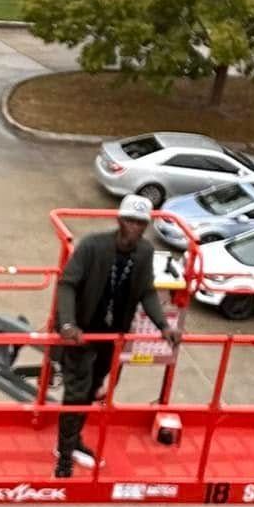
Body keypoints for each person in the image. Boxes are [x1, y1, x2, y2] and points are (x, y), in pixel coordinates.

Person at [53, 196, 178, 478]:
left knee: (92, 389)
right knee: (75, 393)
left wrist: (163, 325)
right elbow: (67, 284)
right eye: (130, 221)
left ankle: (73, 441)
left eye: (140, 223)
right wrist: (69, 324)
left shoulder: (144, 253)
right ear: (119, 221)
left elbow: (146, 290)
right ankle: (63, 453)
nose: (134, 228)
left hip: (111, 336)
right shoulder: (92, 247)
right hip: (83, 333)